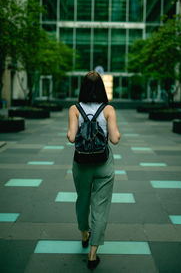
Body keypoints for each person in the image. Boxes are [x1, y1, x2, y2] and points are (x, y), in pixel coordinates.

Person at [67, 71, 120, 270]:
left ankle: (83, 233)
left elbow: (71, 138)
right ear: (101, 88)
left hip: (81, 163)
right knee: (101, 207)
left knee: (83, 199)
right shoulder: (109, 110)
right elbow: (114, 139)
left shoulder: (74, 109)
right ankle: (92, 255)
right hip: (103, 163)